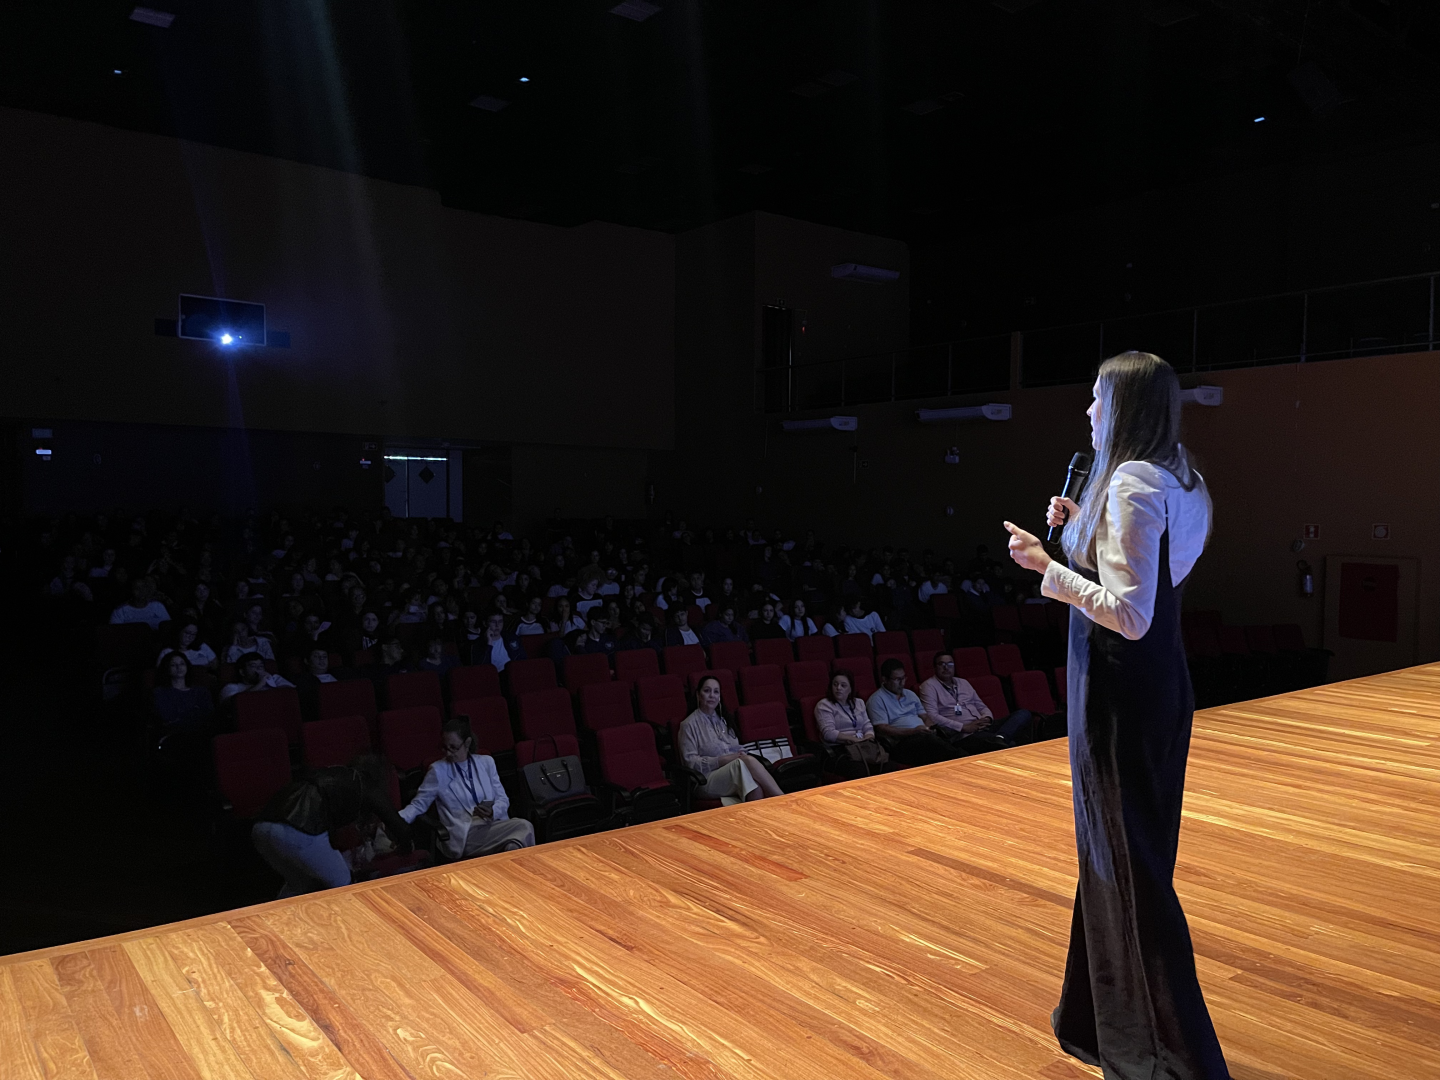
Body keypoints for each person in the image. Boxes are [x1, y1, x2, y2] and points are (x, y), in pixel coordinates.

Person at [1002, 350, 1225, 1078]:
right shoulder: (1182, 476)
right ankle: (1100, 1020)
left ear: (1124, 407)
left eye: (1098, 398)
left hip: (1117, 688)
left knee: (1128, 865)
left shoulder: (1130, 481)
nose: (1090, 411)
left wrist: (1047, 566)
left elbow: (1129, 614)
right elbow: (1153, 574)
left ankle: (1172, 1057)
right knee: (1124, 857)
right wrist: (1079, 529)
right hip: (1158, 684)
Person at [253, 756, 413, 897]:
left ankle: (272, 921)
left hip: (261, 826)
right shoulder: (368, 786)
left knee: (300, 886)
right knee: (343, 883)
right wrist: (406, 849)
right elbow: (398, 825)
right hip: (300, 828)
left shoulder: (335, 774)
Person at [398, 717, 535, 859]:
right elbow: (418, 805)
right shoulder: (438, 770)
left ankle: (512, 870)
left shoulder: (486, 763)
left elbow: (503, 799)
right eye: (445, 747)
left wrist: (492, 811)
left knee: (512, 845)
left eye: (453, 747)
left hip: (492, 825)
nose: (448, 753)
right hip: (464, 835)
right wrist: (394, 822)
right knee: (524, 827)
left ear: (467, 743)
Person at [677, 676, 783, 804]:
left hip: (733, 772)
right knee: (743, 763)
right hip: (705, 780)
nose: (712, 695)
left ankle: (768, 810)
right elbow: (690, 763)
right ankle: (782, 798)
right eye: (707, 691)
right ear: (698, 695)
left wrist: (740, 753)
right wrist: (722, 760)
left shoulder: (723, 720)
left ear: (719, 697)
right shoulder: (688, 725)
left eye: (716, 692)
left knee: (756, 787)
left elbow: (735, 747)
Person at [918, 653, 1035, 746]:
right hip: (963, 734)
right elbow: (931, 716)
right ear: (935, 667)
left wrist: (987, 718)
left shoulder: (963, 682)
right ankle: (1001, 739)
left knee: (1023, 714)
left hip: (982, 725)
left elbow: (980, 705)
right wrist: (963, 727)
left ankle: (1000, 738)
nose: (946, 667)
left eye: (950, 664)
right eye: (941, 664)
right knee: (1010, 742)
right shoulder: (928, 686)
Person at [865, 659, 960, 765]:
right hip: (900, 742)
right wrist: (913, 731)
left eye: (903, 678)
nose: (902, 683)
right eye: (897, 679)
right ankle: (961, 759)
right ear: (885, 679)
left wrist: (929, 728)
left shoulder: (910, 694)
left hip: (923, 736)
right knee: (937, 746)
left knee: (946, 740)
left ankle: (960, 758)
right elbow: (883, 729)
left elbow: (925, 717)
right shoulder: (876, 700)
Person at [813, 672, 886, 779]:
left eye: (843, 685)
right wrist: (853, 739)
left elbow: (867, 725)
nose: (838, 688)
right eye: (835, 684)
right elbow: (829, 733)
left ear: (850, 689)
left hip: (863, 745)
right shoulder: (824, 705)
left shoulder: (859, 703)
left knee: (887, 765)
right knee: (860, 770)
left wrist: (869, 737)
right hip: (839, 749)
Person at [220, 652, 296, 701]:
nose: (258, 668)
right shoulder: (231, 688)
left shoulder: (274, 679)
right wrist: (260, 684)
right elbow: (235, 704)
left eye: (261, 666)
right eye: (253, 666)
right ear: (242, 672)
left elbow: (292, 693)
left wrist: (270, 683)